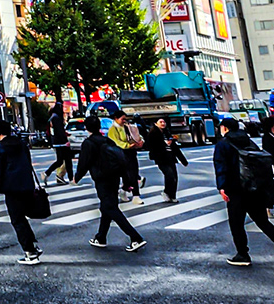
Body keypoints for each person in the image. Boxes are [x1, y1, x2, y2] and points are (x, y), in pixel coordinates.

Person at [215, 115, 274, 268]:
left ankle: (243, 254)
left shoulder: (223, 144)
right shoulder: (248, 141)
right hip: (255, 189)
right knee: (263, 222)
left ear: (225, 128)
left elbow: (221, 167)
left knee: (237, 223)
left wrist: (222, 187)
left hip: (236, 190)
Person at [76, 109, 146, 252]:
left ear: (86, 127)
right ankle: (100, 237)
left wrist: (77, 177)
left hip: (102, 179)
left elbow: (84, 163)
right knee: (106, 207)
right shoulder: (107, 140)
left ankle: (135, 238)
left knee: (110, 208)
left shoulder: (88, 143)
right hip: (114, 176)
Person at [0, 118, 42, 265]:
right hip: (27, 186)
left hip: (12, 189)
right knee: (21, 218)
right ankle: (32, 246)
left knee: (17, 220)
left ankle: (30, 252)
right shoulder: (22, 144)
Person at [143, 117, 189, 203]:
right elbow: (149, 146)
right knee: (169, 175)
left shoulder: (167, 133)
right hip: (161, 159)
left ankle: (172, 196)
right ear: (156, 124)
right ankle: (166, 192)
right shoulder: (153, 134)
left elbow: (175, 148)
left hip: (171, 158)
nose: (163, 123)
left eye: (164, 122)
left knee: (174, 177)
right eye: (160, 122)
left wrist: (183, 160)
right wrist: (163, 144)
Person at [43, 106, 76, 185]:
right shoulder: (56, 118)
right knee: (67, 161)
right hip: (62, 143)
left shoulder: (52, 118)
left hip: (56, 142)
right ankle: (71, 179)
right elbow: (60, 131)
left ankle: (47, 173)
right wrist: (66, 141)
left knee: (60, 161)